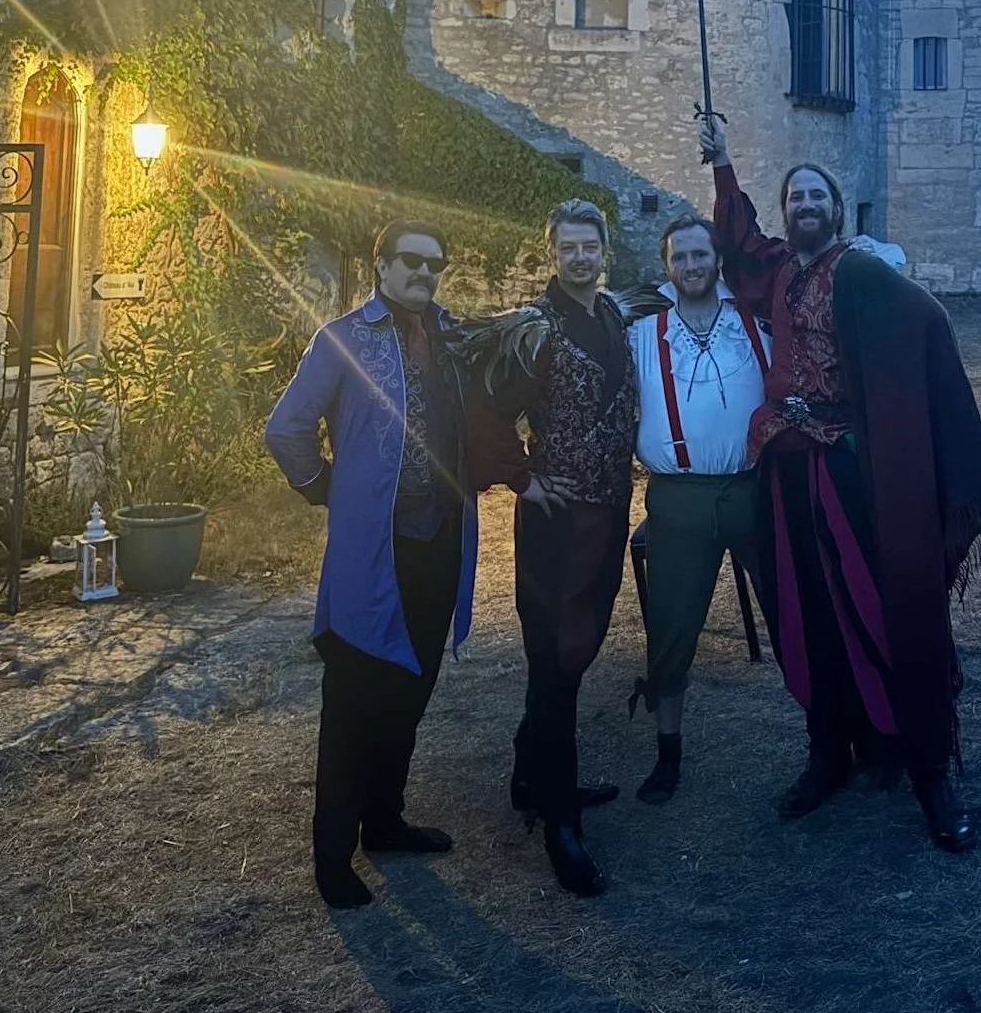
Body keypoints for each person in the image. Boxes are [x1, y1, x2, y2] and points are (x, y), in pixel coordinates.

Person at [699, 120, 981, 852]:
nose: (805, 203)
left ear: (836, 210)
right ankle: (829, 751)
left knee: (889, 608)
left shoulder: (859, 270)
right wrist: (724, 163)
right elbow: (738, 247)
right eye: (794, 195)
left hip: (848, 470)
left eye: (817, 194)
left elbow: (926, 321)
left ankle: (929, 768)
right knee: (808, 617)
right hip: (787, 470)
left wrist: (872, 426)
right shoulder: (779, 271)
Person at [265, 220, 479, 909]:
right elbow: (286, 427)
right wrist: (325, 488)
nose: (424, 273)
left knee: (409, 693)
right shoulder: (344, 340)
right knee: (353, 703)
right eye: (411, 261)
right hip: (372, 554)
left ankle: (384, 822)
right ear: (381, 266)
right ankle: (332, 858)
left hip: (439, 543)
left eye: (434, 263)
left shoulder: (452, 340)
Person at [468, 199, 640, 897]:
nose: (579, 257)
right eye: (567, 248)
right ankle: (560, 819)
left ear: (603, 251)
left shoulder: (613, 317)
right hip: (555, 521)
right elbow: (484, 409)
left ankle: (529, 771)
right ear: (552, 255)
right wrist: (520, 476)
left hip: (608, 512)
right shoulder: (535, 330)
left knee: (578, 652)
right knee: (554, 658)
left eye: (588, 246)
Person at [627, 213, 771, 805]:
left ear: (718, 262)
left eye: (700, 255)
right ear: (667, 268)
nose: (691, 266)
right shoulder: (640, 333)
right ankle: (668, 754)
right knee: (671, 628)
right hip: (679, 497)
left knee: (793, 613)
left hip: (752, 490)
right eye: (679, 258)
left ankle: (830, 738)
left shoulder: (757, 324)